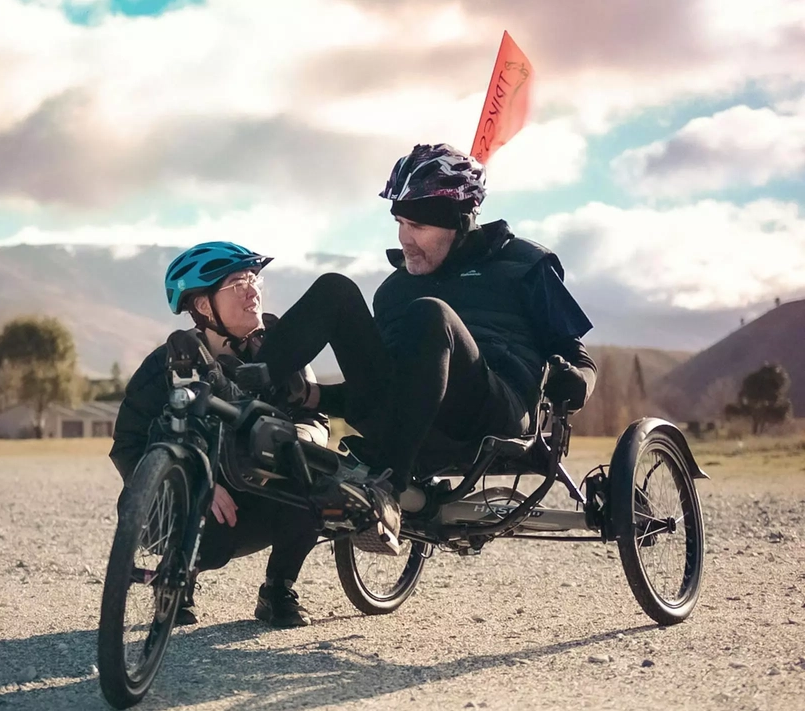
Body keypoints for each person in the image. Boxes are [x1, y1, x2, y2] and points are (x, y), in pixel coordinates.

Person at [251, 143, 597, 508]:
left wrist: (576, 383)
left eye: (417, 225)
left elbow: (579, 357)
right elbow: (390, 388)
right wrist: (313, 396)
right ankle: (237, 398)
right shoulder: (395, 289)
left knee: (431, 314)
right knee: (335, 289)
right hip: (408, 422)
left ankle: (388, 485)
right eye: (400, 223)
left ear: (459, 221)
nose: (404, 239)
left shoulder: (526, 264)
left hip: (490, 414)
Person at [109, 241, 328, 628]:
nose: (252, 290)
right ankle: (177, 578)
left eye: (253, 279)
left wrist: (302, 445)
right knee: (199, 520)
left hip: (266, 494)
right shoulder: (166, 365)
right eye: (236, 283)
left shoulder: (283, 349)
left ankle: (278, 588)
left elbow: (316, 417)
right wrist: (191, 481)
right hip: (190, 509)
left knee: (321, 483)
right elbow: (128, 444)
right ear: (205, 306)